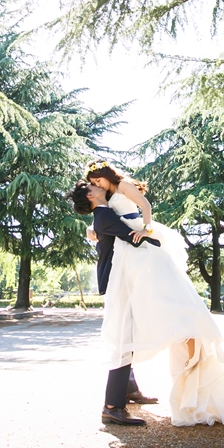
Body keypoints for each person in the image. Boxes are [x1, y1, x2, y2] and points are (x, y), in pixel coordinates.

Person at [81, 161, 224, 427]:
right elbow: (104, 219)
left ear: (106, 177)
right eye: (92, 184)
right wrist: (93, 230)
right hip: (128, 253)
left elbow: (144, 207)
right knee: (130, 320)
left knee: (141, 312)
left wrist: (146, 229)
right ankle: (127, 389)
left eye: (97, 181)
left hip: (138, 240)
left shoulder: (122, 188)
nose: (95, 185)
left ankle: (134, 385)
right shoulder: (104, 202)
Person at [72, 180, 160, 426]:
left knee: (128, 333)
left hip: (119, 278)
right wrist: (159, 243)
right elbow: (133, 238)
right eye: (93, 185)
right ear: (90, 195)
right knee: (122, 337)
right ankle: (112, 406)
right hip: (117, 281)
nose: (98, 185)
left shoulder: (103, 213)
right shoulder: (104, 216)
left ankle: (128, 390)